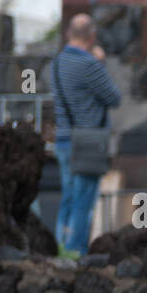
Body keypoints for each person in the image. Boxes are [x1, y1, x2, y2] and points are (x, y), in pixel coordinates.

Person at [52, 13, 121, 256]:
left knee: (68, 200)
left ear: (69, 34)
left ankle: (60, 249)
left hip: (63, 140)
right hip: (87, 142)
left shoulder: (58, 62)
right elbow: (114, 97)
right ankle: (75, 253)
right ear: (91, 37)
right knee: (83, 202)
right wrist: (101, 64)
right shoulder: (90, 64)